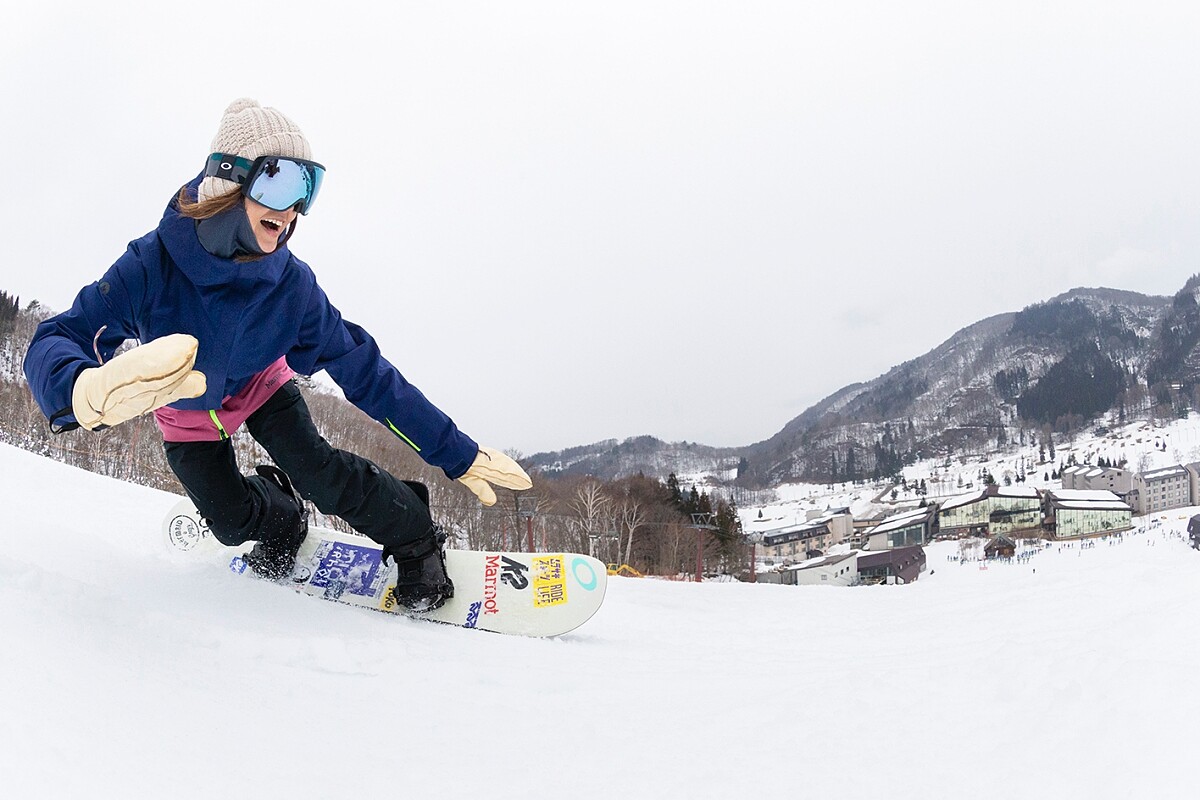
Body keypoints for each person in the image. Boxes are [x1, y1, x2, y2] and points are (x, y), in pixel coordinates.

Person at [23, 98, 531, 612]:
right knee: (228, 522)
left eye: (307, 189)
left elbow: (366, 372)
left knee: (319, 473)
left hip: (261, 385)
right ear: (229, 180)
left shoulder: (291, 287)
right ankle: (282, 515)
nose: (291, 210)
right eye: (280, 182)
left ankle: (414, 533)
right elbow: (59, 336)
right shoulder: (151, 265)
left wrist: (454, 451)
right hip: (186, 408)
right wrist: (77, 390)